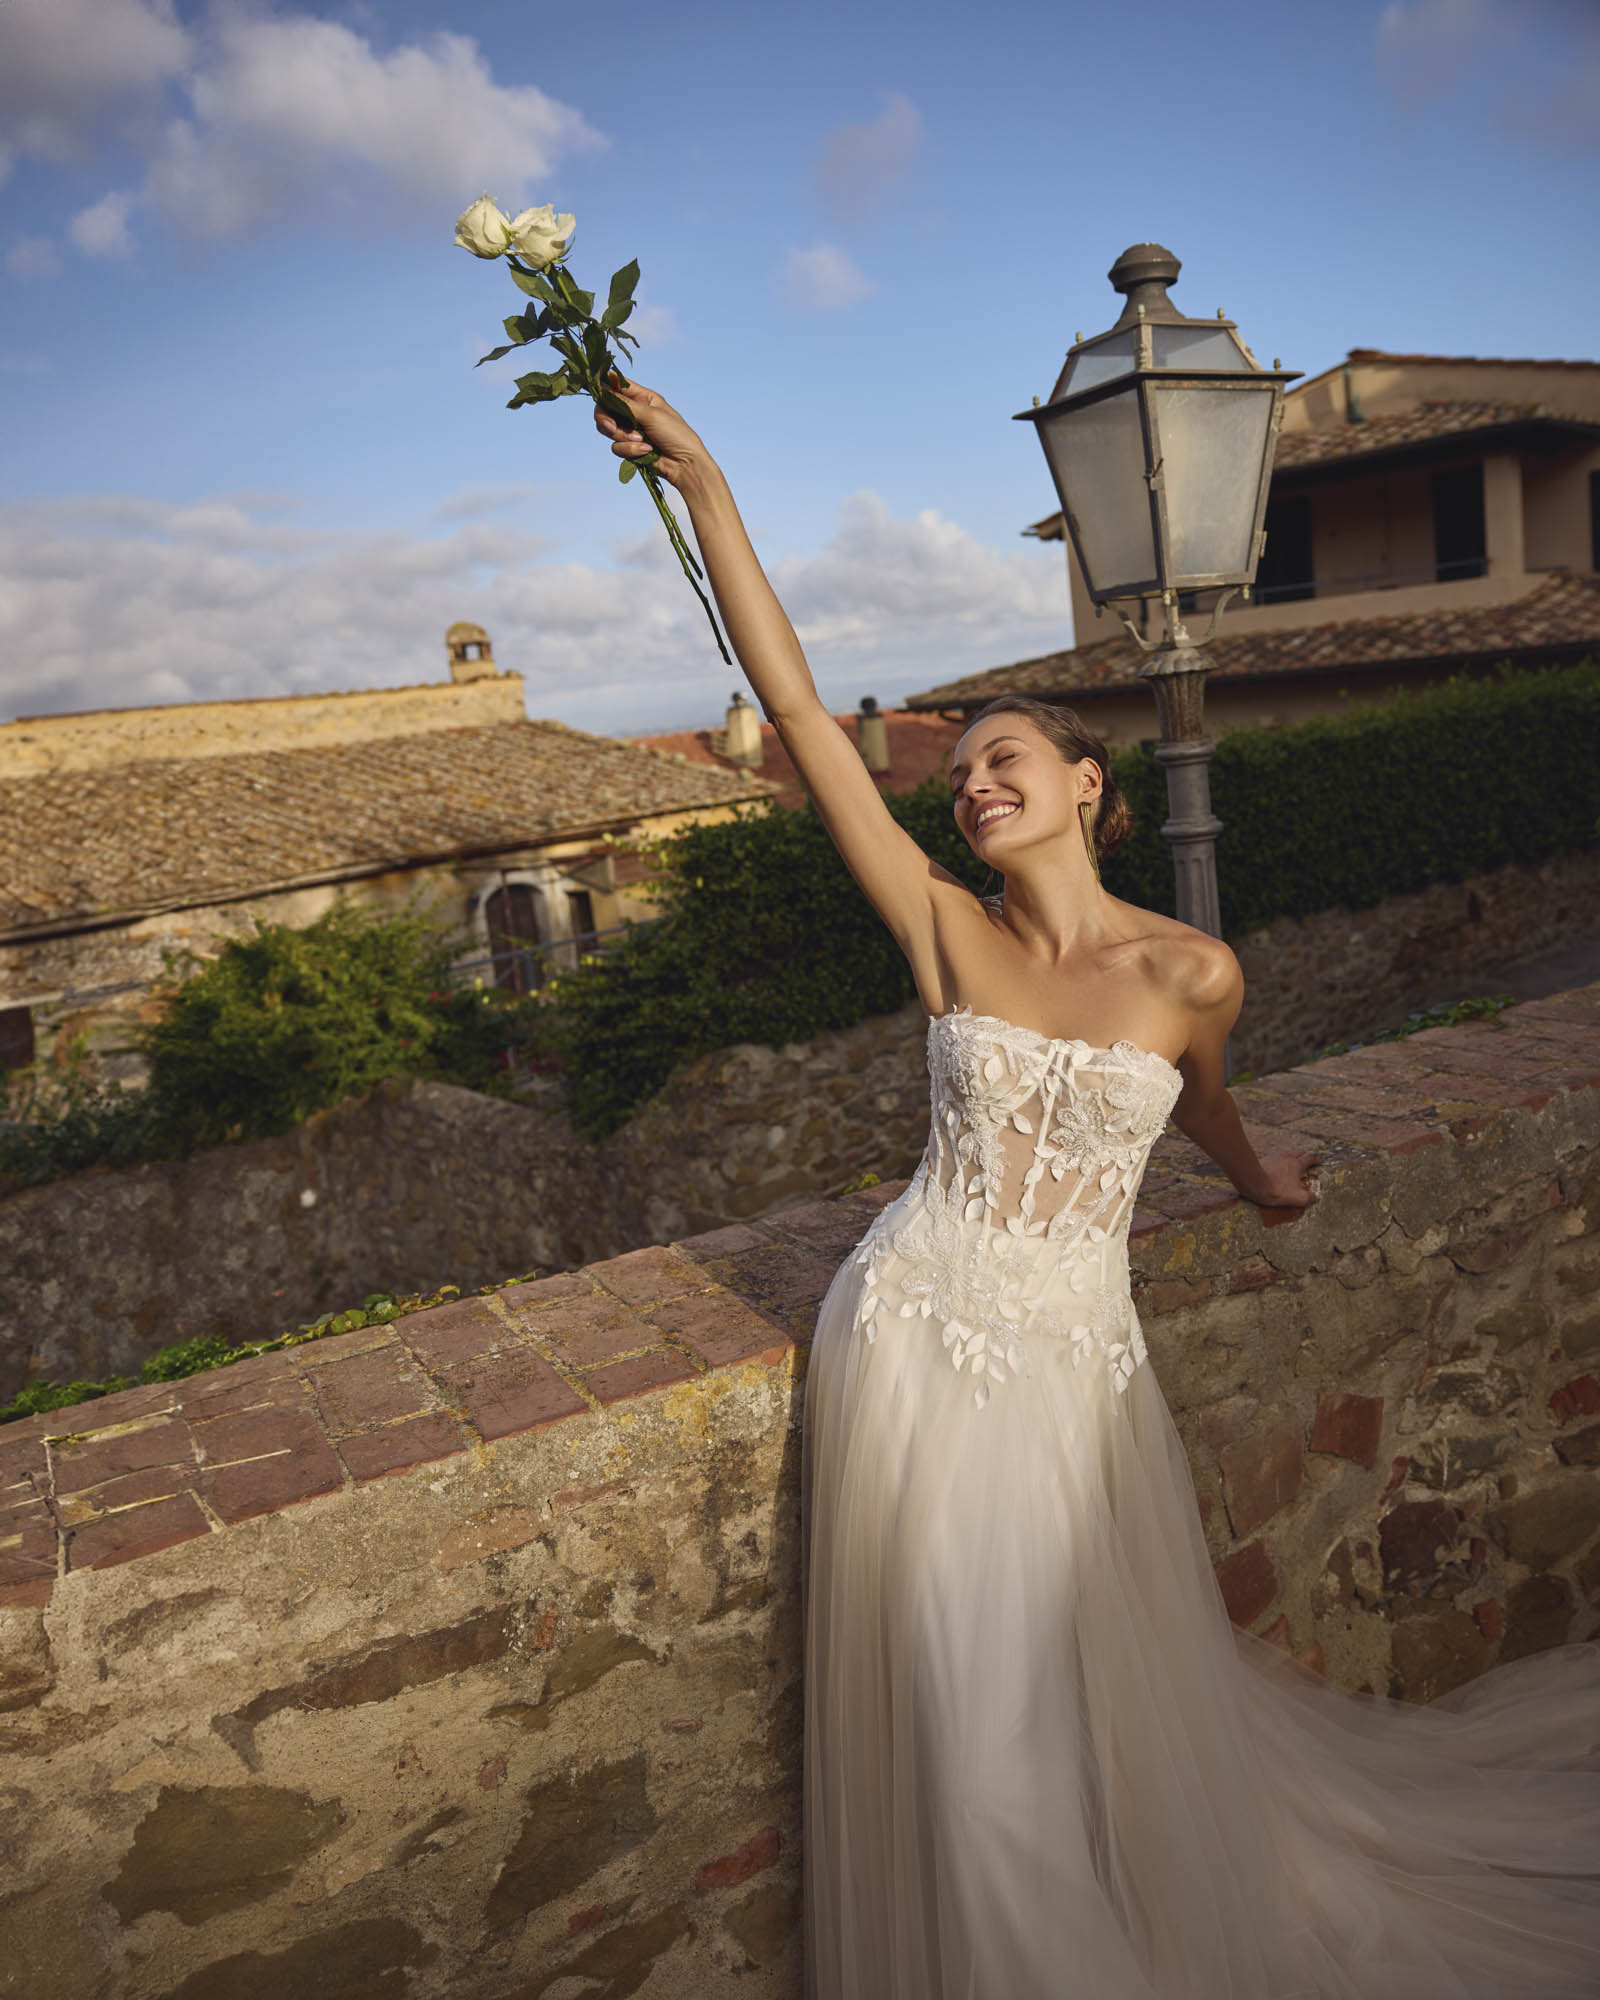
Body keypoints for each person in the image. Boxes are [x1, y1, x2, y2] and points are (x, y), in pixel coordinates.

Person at [594, 381, 1600, 1999]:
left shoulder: (1195, 969)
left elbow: (1195, 1106)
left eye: (1003, 761)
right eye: (962, 775)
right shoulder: (946, 930)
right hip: (917, 1335)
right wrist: (707, 481)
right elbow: (792, 711)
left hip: (1078, 1362)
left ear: (1086, 789)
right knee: (973, 1733)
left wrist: (1261, 1171)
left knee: (1071, 1710)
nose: (971, 784)